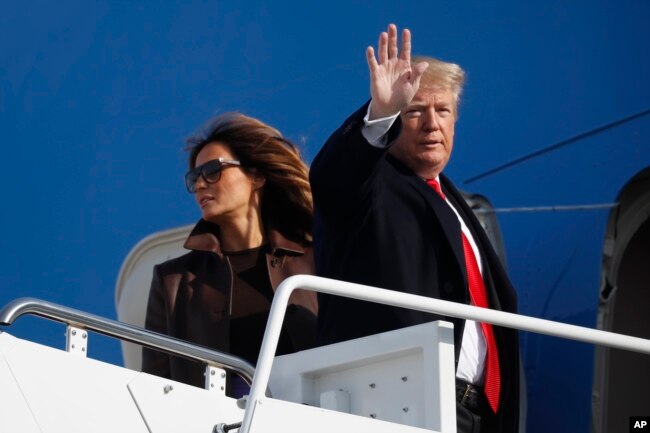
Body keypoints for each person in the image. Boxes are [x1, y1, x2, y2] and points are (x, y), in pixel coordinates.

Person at [310, 24, 520, 433]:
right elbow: (335, 181)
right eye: (414, 111)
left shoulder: (454, 201)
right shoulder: (373, 183)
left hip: (481, 412)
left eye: (442, 111)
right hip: (401, 402)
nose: (430, 124)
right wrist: (382, 112)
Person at [142, 113, 318, 398]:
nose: (200, 184)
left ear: (256, 176)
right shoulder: (173, 281)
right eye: (194, 178)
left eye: (213, 170)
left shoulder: (313, 260)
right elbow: (155, 386)